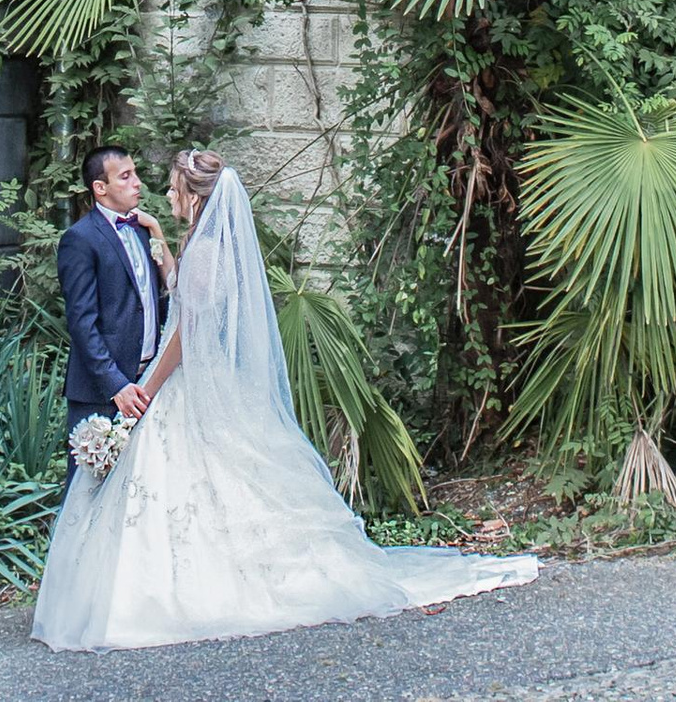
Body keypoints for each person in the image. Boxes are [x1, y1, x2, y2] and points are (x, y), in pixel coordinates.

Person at [32, 147, 537, 650]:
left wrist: (147, 388)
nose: (160, 191)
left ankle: (177, 592)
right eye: (136, 177)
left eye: (170, 186)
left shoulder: (206, 249)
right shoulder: (189, 242)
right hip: (163, 385)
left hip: (171, 383)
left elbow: (187, 334)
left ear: (192, 194)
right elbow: (175, 295)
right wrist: (164, 245)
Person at [57, 143, 172, 457]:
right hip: (101, 391)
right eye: (125, 176)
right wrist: (115, 384)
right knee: (89, 492)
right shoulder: (80, 239)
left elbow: (161, 298)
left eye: (135, 173)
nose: (137, 183)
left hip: (149, 383)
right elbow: (82, 322)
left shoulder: (144, 230)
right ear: (100, 188)